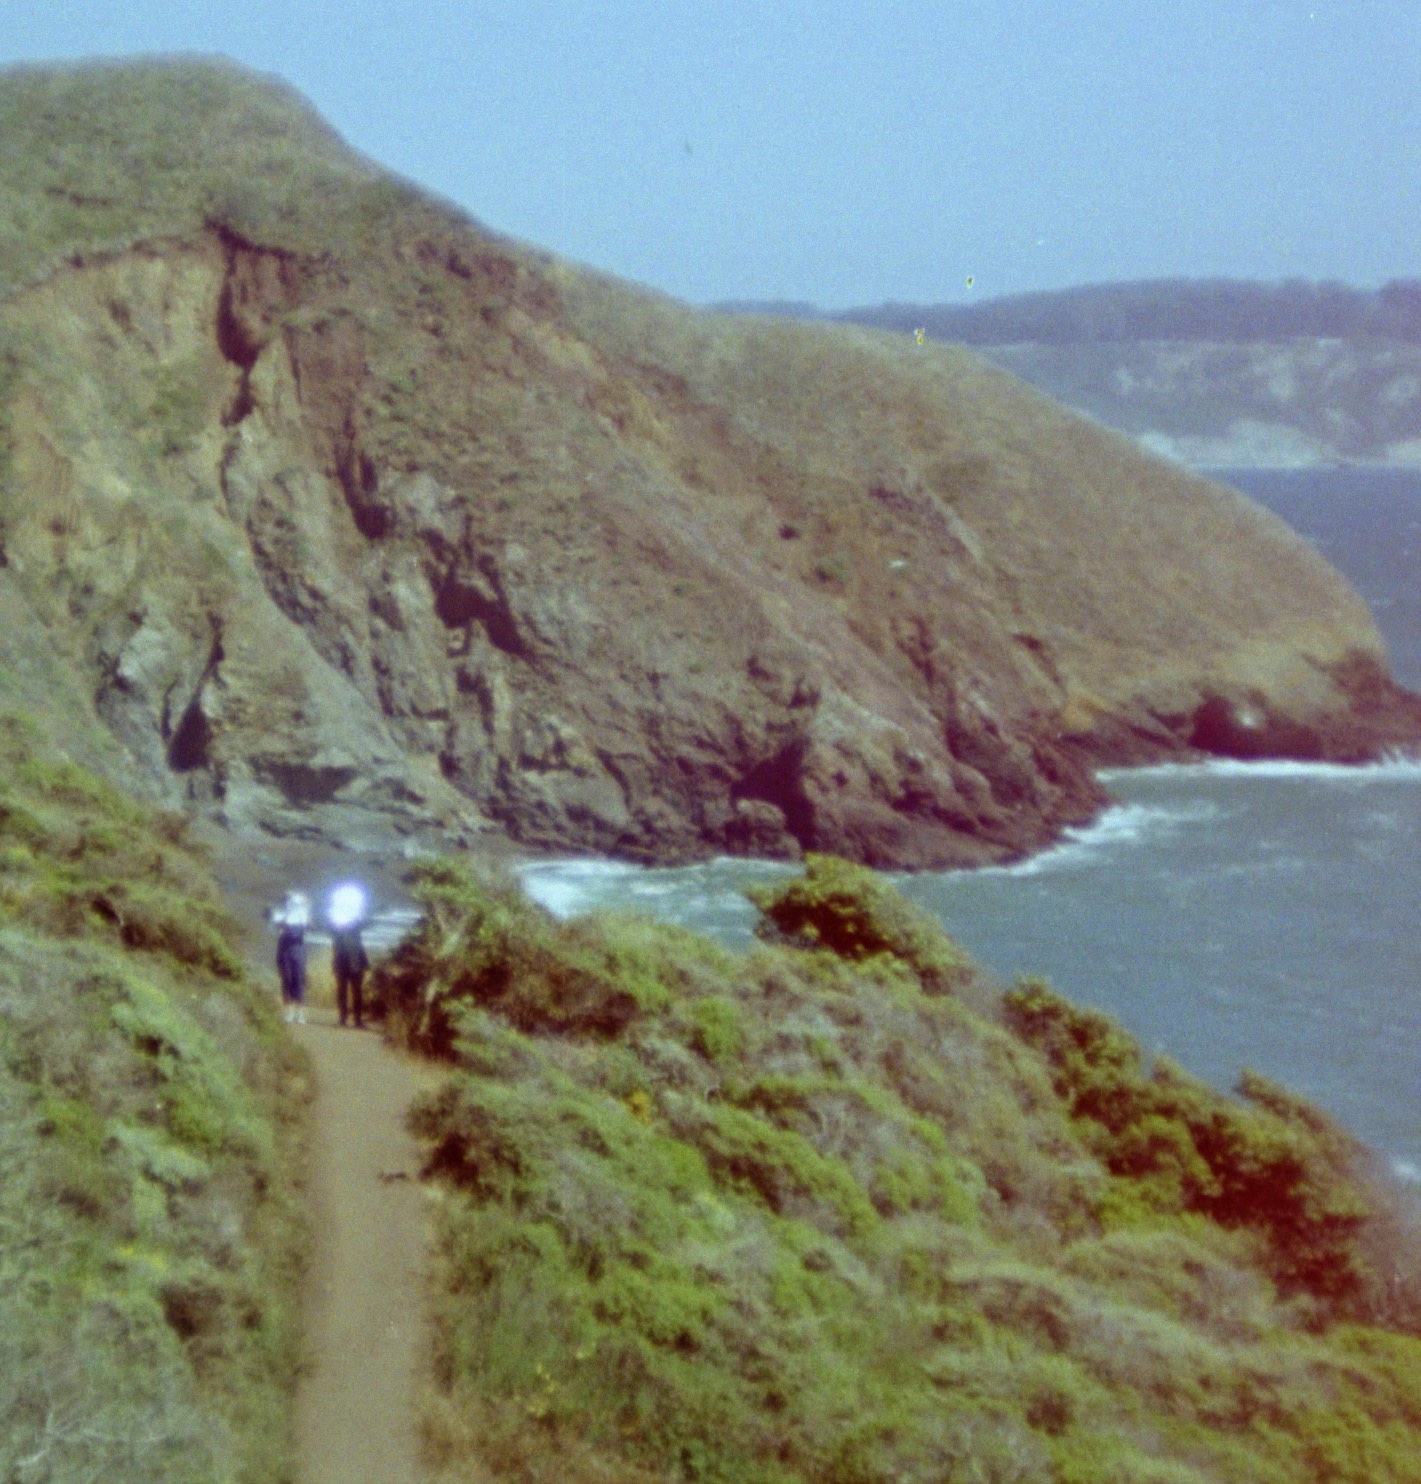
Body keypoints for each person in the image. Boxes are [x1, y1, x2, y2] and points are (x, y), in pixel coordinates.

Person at [327, 882, 371, 1029]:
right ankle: (344, 1018)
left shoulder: (354, 922)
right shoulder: (337, 925)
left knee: (355, 991)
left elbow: (364, 921)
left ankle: (355, 1020)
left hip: (354, 960)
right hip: (346, 960)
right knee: (344, 991)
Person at [273, 892, 310, 1025]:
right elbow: (277, 925)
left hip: (298, 950)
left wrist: (303, 906)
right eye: (287, 901)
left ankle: (300, 1013)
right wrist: (285, 918)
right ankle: (289, 1011)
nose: (290, 903)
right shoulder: (281, 913)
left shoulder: (302, 913)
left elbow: (306, 925)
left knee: (299, 979)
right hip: (284, 950)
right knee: (287, 979)